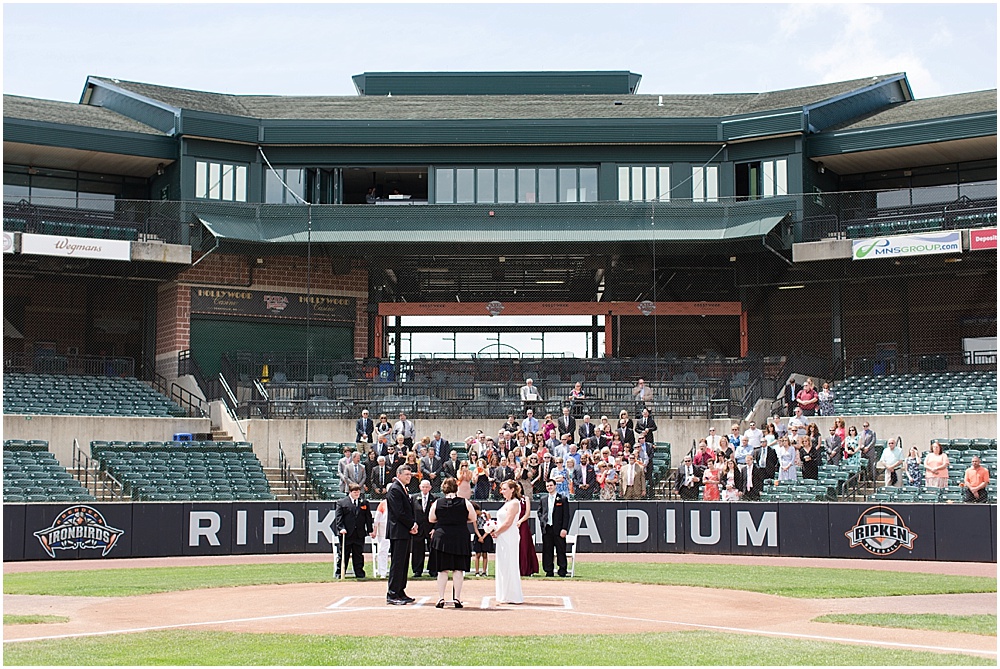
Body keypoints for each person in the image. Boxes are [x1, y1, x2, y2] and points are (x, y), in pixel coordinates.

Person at [428, 477, 477, 608]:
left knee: (442, 570)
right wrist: (460, 520)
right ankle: (457, 598)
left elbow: (431, 518)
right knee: (458, 570)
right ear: (456, 488)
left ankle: (441, 598)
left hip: (442, 537)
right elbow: (473, 517)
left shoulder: (438, 502)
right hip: (459, 537)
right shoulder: (465, 502)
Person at [385, 466, 418, 605]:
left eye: (410, 474)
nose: (409, 477)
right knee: (397, 563)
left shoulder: (403, 488)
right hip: (398, 532)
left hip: (404, 531)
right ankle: (392, 593)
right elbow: (398, 512)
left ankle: (400, 591)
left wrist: (412, 524)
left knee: (404, 563)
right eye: (406, 474)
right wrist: (411, 524)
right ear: (398, 474)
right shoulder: (394, 489)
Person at [491, 480, 525, 604]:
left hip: (509, 536)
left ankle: (512, 594)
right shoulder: (507, 503)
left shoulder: (514, 503)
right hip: (502, 536)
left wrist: (497, 532)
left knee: (509, 563)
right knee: (503, 564)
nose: (502, 491)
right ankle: (504, 594)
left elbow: (509, 522)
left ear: (512, 489)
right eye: (502, 489)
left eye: (505, 489)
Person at [334, 483, 374, 579]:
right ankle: (340, 573)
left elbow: (368, 518)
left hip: (359, 533)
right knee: (344, 554)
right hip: (346, 534)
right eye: (355, 492)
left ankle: (359, 573)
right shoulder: (342, 502)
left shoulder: (364, 503)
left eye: (358, 492)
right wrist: (341, 528)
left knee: (358, 554)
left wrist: (370, 530)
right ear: (350, 492)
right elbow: (339, 518)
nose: (357, 494)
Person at [536, 478, 571, 577]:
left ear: (555, 486)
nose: (549, 487)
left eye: (551, 485)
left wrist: (564, 528)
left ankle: (562, 570)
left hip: (559, 529)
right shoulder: (543, 499)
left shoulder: (562, 499)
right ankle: (548, 570)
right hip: (547, 528)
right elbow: (539, 512)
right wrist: (543, 521)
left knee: (561, 549)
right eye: (547, 486)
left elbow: (566, 515)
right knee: (547, 550)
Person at [411, 479, 438, 578]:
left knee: (433, 549)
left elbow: (438, 515)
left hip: (430, 529)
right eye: (423, 487)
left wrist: (435, 528)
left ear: (430, 487)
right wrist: (413, 524)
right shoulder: (414, 498)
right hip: (418, 529)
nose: (425, 489)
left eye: (427, 487)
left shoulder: (435, 499)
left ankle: (433, 570)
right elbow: (411, 513)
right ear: (420, 487)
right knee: (417, 549)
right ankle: (417, 570)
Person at [516, 485, 538, 576]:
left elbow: (527, 513)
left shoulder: (526, 499)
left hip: (523, 524)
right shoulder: (511, 500)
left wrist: (520, 521)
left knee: (524, 545)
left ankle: (526, 568)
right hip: (513, 524)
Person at [471, 503, 494, 577]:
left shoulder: (486, 514)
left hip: (485, 533)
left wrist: (483, 536)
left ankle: (484, 571)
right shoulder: (474, 517)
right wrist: (479, 536)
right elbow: (475, 527)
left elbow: (490, 525)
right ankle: (477, 571)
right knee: (477, 554)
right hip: (478, 534)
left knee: (485, 554)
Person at [372, 498, 390, 578]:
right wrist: (374, 531)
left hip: (396, 531)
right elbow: (377, 519)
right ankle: (382, 572)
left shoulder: (401, 501)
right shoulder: (383, 503)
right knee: (382, 551)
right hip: (383, 532)